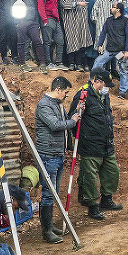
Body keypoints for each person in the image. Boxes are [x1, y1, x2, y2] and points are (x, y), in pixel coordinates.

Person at [68, 68, 121, 219]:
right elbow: (73, 117)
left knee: (112, 171)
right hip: (90, 144)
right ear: (96, 81)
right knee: (90, 177)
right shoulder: (83, 94)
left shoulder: (105, 95)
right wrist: (82, 140)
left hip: (106, 143)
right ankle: (92, 205)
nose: (107, 88)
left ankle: (106, 200)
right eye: (105, 84)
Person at [35, 76, 83, 243]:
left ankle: (49, 227)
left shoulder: (57, 104)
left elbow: (64, 122)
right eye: (66, 92)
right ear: (58, 90)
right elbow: (55, 125)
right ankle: (46, 231)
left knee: (53, 192)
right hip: (48, 155)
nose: (66, 95)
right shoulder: (44, 105)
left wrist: (75, 112)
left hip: (58, 154)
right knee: (48, 194)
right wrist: (73, 121)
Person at [92, 1, 128, 96]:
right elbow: (103, 33)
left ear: (118, 9)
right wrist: (100, 45)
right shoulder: (108, 20)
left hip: (120, 52)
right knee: (98, 63)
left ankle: (123, 92)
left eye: (113, 7)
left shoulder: (126, 21)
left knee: (123, 69)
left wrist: (127, 51)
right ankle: (92, 85)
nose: (111, 8)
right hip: (109, 51)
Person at [13, 0, 48, 73]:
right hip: (21, 21)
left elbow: (35, 6)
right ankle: (23, 64)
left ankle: (42, 64)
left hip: (33, 21)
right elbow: (12, 8)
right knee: (21, 43)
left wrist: (36, 21)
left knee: (37, 41)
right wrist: (17, 22)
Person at [60, 0, 93, 71]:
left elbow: (84, 5)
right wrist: (77, 4)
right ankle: (71, 63)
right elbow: (65, 5)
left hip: (78, 22)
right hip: (69, 23)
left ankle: (79, 64)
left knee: (79, 42)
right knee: (70, 42)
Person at [38, 0, 65, 69]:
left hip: (56, 20)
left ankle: (59, 62)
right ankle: (48, 63)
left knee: (60, 41)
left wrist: (57, 19)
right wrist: (45, 20)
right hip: (48, 19)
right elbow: (41, 7)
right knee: (47, 41)